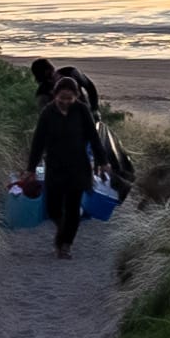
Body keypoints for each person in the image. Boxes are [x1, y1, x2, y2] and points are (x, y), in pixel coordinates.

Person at [24, 63, 119, 257]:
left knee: (73, 207)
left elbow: (93, 137)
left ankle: (66, 245)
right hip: (55, 166)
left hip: (78, 166)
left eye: (69, 99)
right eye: (62, 98)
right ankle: (62, 231)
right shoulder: (47, 113)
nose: (65, 102)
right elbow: (38, 142)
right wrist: (31, 169)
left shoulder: (82, 111)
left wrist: (103, 162)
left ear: (76, 96)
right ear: (55, 95)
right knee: (53, 208)